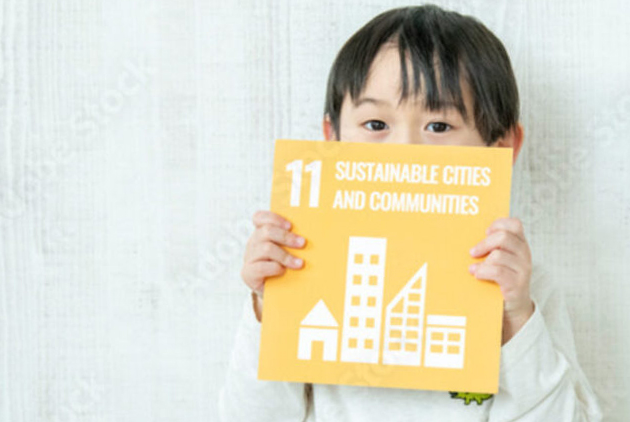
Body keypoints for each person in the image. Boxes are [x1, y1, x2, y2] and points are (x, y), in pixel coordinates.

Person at [219, 5, 601, 421]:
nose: (404, 151)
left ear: (502, 148)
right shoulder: (303, 269)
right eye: (375, 124)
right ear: (332, 139)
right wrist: (268, 308)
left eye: (438, 126)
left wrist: (516, 317)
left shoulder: (523, 290)